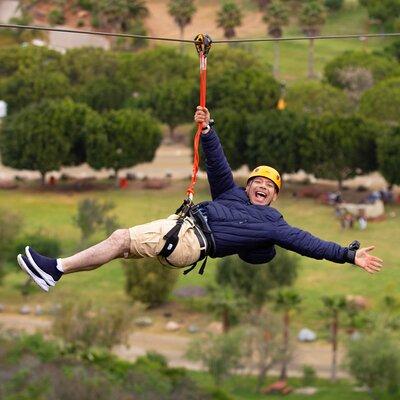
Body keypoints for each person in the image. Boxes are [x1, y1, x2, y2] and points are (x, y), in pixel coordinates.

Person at [17, 106, 383, 292]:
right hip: (183, 233)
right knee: (117, 247)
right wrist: (208, 129)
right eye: (258, 181)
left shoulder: (273, 225)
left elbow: (307, 243)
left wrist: (347, 255)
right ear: (249, 185)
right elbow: (218, 164)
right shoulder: (231, 194)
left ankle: (56, 268)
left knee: (118, 238)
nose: (262, 187)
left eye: (269, 188)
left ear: (272, 199)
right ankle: (57, 273)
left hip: (190, 240)